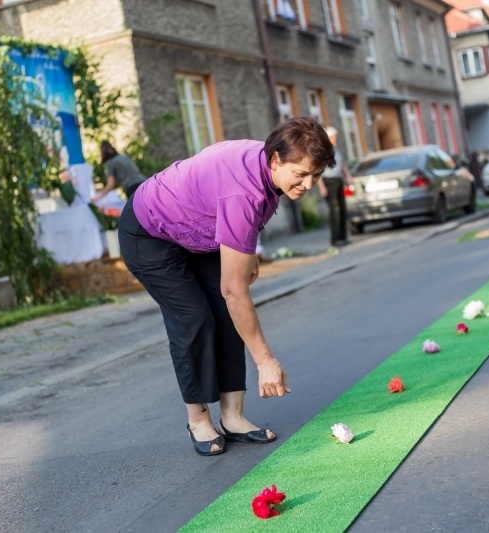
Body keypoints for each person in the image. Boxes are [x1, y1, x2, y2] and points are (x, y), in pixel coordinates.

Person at [119, 117, 335, 456]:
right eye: (301, 174)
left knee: (227, 313)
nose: (308, 184)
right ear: (275, 159)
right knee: (194, 318)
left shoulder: (267, 166)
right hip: (150, 234)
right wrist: (265, 361)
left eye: (316, 175)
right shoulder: (243, 193)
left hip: (198, 232)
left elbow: (243, 221)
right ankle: (198, 418)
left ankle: (233, 418)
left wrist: (246, 250)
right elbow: (235, 289)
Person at [317, 126, 354, 247]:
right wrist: (322, 187)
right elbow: (319, 170)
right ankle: (335, 239)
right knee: (335, 210)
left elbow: (342, 164)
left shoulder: (336, 149)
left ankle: (343, 237)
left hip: (338, 180)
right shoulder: (323, 151)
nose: (334, 139)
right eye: (332, 137)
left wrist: (348, 176)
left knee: (342, 209)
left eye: (335, 137)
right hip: (328, 181)